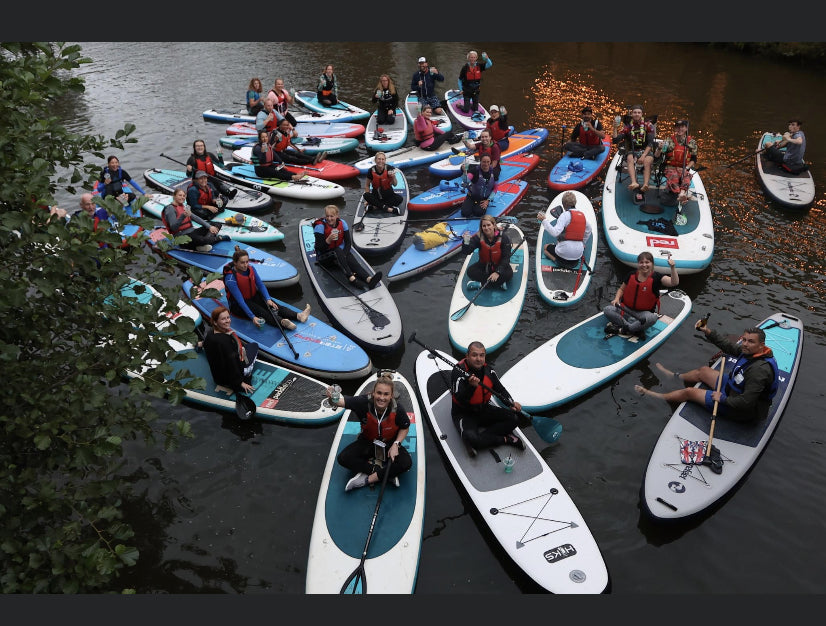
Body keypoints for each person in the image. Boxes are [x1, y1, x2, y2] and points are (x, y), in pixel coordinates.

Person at [635, 322, 779, 424]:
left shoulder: (759, 371)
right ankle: (674, 376)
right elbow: (728, 346)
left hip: (741, 410)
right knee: (703, 371)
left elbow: (745, 403)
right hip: (732, 388)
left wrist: (722, 399)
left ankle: (658, 395)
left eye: (751, 342)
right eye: (745, 340)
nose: (745, 344)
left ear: (761, 345)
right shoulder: (749, 352)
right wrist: (707, 331)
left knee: (689, 392)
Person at [330, 374, 412, 491]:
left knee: (406, 463)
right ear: (373, 393)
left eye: (386, 394)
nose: (381, 398)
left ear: (391, 396)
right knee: (343, 458)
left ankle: (367, 479)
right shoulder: (362, 402)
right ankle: (385, 475)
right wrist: (331, 396)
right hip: (367, 442)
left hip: (389, 445)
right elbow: (336, 402)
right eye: (379, 393)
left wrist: (396, 444)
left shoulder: (398, 409)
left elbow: (405, 428)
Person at [450, 341, 524, 457]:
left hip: (483, 409)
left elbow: (500, 389)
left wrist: (511, 402)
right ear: (467, 356)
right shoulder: (458, 372)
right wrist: (471, 387)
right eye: (474, 355)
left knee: (514, 418)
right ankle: (505, 439)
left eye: (481, 355)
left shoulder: (489, 370)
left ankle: (478, 441)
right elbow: (460, 400)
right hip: (464, 413)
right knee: (472, 437)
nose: (478, 359)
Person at [222, 246, 311, 331]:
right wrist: (252, 317)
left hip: (252, 297)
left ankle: (299, 316)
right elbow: (240, 300)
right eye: (242, 263)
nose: (245, 265)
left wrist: (268, 299)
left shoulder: (251, 268)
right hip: (238, 306)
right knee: (262, 312)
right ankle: (282, 322)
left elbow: (260, 285)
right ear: (235, 263)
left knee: (273, 305)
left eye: (247, 261)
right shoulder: (230, 279)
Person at [603, 251, 679, 340]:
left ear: (652, 263)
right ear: (638, 264)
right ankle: (634, 328)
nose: (644, 265)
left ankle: (625, 329)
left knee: (652, 318)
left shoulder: (657, 277)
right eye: (641, 262)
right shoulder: (631, 274)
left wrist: (673, 267)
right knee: (607, 310)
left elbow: (674, 282)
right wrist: (616, 299)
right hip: (626, 309)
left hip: (642, 314)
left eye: (647, 262)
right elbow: (621, 289)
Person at [313, 204, 383, 290]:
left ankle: (368, 279)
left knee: (350, 258)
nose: (329, 218)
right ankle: (351, 278)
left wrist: (344, 255)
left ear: (337, 216)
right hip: (324, 257)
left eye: (332, 216)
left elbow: (348, 243)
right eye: (327, 216)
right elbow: (319, 248)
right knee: (338, 251)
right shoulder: (319, 227)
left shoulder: (342, 223)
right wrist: (328, 240)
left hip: (339, 254)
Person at [202, 306, 259, 395]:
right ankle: (247, 372)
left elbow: (206, 345)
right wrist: (240, 382)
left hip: (218, 376)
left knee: (245, 347)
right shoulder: (225, 342)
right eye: (223, 319)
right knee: (254, 346)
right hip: (231, 378)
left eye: (228, 317)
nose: (228, 320)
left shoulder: (210, 334)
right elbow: (231, 362)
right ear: (215, 322)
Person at [536, 191, 593, 268]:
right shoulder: (582, 216)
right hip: (577, 255)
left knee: (545, 248)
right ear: (575, 203)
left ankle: (556, 261)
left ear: (563, 204)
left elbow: (555, 233)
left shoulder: (564, 215)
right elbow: (589, 229)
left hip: (562, 254)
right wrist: (583, 243)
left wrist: (544, 221)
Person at [160, 188, 228, 252]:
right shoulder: (170, 209)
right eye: (180, 195)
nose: (182, 197)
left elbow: (195, 218)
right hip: (181, 237)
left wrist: (209, 226)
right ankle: (218, 239)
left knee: (216, 225)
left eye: (184, 196)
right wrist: (183, 216)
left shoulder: (183, 206)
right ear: (174, 196)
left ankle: (198, 246)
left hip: (192, 232)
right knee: (201, 239)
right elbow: (173, 227)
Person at [460, 214, 513, 291]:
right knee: (470, 271)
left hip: (499, 265)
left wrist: (498, 272)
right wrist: (466, 242)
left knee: (509, 274)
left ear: (494, 225)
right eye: (484, 226)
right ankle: (498, 283)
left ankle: (480, 284)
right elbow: (466, 252)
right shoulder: (478, 237)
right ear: (481, 227)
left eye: (489, 225)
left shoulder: (503, 238)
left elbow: (506, 257)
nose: (486, 228)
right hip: (484, 266)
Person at [653, 120, 699, 208]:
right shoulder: (668, 140)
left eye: (682, 127)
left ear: (686, 128)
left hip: (683, 167)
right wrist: (659, 148)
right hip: (670, 166)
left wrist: (687, 167)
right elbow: (657, 156)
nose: (680, 129)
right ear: (675, 128)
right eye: (678, 127)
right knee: (674, 176)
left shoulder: (691, 142)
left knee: (686, 176)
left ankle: (682, 194)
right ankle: (680, 195)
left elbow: (694, 159)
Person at [612, 104, 656, 194]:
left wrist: (643, 156)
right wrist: (615, 128)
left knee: (647, 161)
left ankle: (645, 184)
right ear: (632, 114)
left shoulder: (648, 125)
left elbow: (651, 143)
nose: (637, 114)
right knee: (629, 158)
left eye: (639, 113)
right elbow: (616, 140)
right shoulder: (628, 127)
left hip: (646, 150)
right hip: (633, 150)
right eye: (635, 112)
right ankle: (634, 182)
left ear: (642, 114)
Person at [457, 50, 492, 115]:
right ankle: (460, 105)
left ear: (476, 58)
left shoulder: (479, 66)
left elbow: (490, 64)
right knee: (466, 110)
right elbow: (459, 80)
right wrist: (461, 90)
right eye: (471, 57)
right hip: (467, 91)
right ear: (468, 58)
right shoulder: (465, 68)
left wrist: (487, 59)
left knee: (475, 109)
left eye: (474, 57)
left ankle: (469, 104)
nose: (472, 59)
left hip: (476, 91)